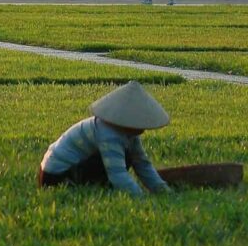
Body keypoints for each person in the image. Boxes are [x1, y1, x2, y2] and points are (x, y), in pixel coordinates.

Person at [38, 81, 172, 197]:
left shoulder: (129, 134)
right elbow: (117, 173)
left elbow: (142, 163)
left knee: (128, 156)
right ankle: (91, 186)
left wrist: (162, 190)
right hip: (57, 175)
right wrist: (140, 197)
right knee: (122, 159)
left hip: (65, 169)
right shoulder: (108, 134)